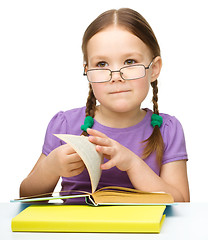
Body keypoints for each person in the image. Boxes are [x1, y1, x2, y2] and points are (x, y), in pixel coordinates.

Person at [20, 8, 190, 202]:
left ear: (154, 69)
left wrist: (133, 164)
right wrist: (50, 167)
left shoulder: (167, 129)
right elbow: (26, 197)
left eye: (129, 61)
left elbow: (181, 203)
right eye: (102, 64)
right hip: (74, 232)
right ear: (88, 72)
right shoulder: (65, 124)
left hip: (143, 233)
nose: (116, 76)